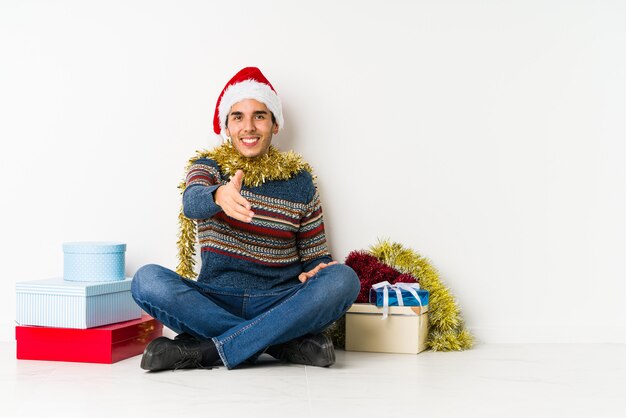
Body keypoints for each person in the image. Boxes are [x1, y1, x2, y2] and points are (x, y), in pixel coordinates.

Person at [131, 67, 360, 371]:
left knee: (343, 279)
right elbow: (192, 201)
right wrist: (218, 196)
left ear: (275, 124)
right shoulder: (208, 166)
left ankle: (208, 351)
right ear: (226, 125)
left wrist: (317, 269)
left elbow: (315, 256)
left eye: (259, 116)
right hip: (214, 299)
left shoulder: (301, 180)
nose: (248, 127)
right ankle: (281, 342)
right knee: (146, 280)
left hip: (279, 299)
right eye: (238, 116)